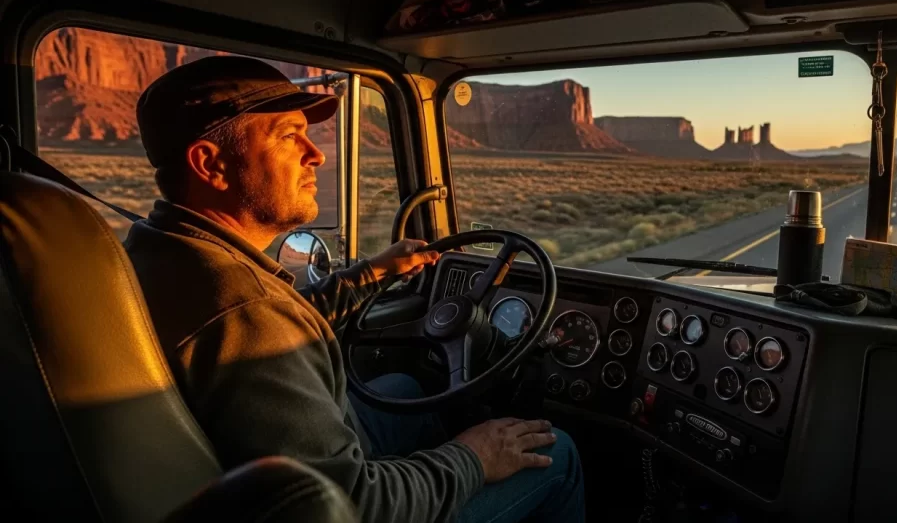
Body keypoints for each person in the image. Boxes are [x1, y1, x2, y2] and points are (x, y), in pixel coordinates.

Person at [123, 55, 584, 523]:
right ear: (211, 164)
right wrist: (474, 458)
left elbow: (284, 323)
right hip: (339, 507)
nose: (316, 153)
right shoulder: (245, 312)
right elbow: (354, 507)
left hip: (240, 490)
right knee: (557, 452)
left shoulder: (166, 255)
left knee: (405, 389)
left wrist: (373, 272)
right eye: (288, 135)